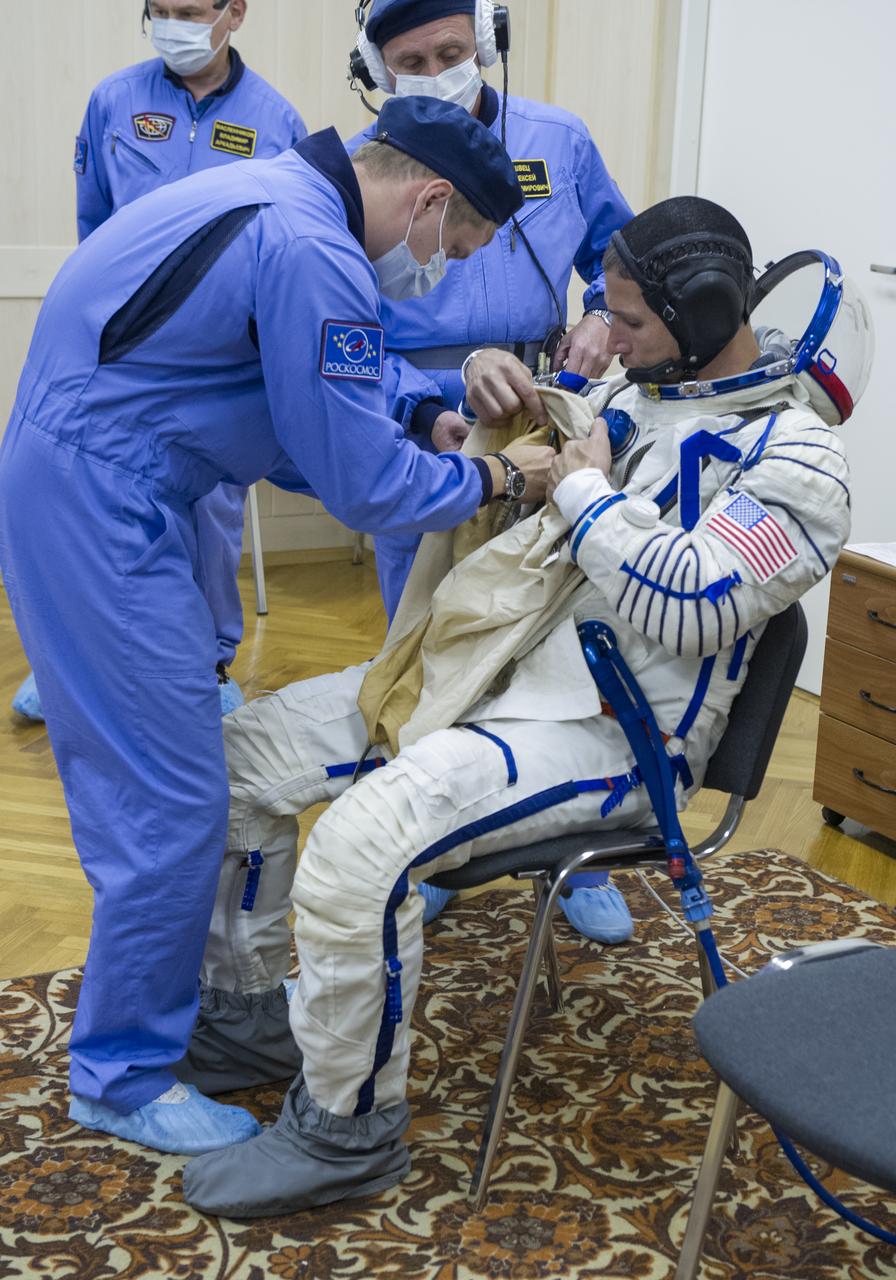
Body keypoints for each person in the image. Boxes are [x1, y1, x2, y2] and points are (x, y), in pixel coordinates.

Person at [179, 195, 865, 1217]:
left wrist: (585, 493)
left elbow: (688, 602)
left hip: (612, 737)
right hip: (498, 678)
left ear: (706, 307)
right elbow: (543, 468)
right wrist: (496, 398)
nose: (608, 334)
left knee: (364, 845)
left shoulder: (797, 463)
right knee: (242, 756)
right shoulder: (642, 399)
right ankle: (249, 1017)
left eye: (626, 317)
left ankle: (347, 1129)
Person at [0, 94, 551, 1155]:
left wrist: (418, 405)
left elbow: (299, 383)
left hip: (111, 475)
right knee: (169, 796)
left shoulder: (276, 197)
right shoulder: (314, 245)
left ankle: (187, 1018)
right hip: (107, 500)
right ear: (429, 198)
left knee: (167, 777)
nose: (436, 267)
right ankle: (118, 1071)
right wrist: (493, 474)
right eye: (455, 245)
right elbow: (357, 482)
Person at [347, 0, 636, 941]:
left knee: (553, 630)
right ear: (377, 68)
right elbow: (347, 338)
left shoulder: (559, 138)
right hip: (428, 417)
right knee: (432, 635)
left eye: (452, 52)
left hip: (545, 398)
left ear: (488, 40)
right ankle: (429, 846)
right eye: (411, 60)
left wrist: (602, 313)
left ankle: (570, 844)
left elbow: (618, 259)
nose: (435, 70)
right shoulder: (376, 170)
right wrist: (434, 398)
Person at [11, 0, 307, 723]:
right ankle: (64, 662)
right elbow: (93, 222)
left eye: (192, 10)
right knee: (83, 508)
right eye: (161, 10)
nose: (174, 23)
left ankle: (206, 664)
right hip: (118, 354)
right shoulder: (113, 101)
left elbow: (290, 242)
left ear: (234, 12)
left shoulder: (278, 121)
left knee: (208, 512)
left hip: (218, 364)